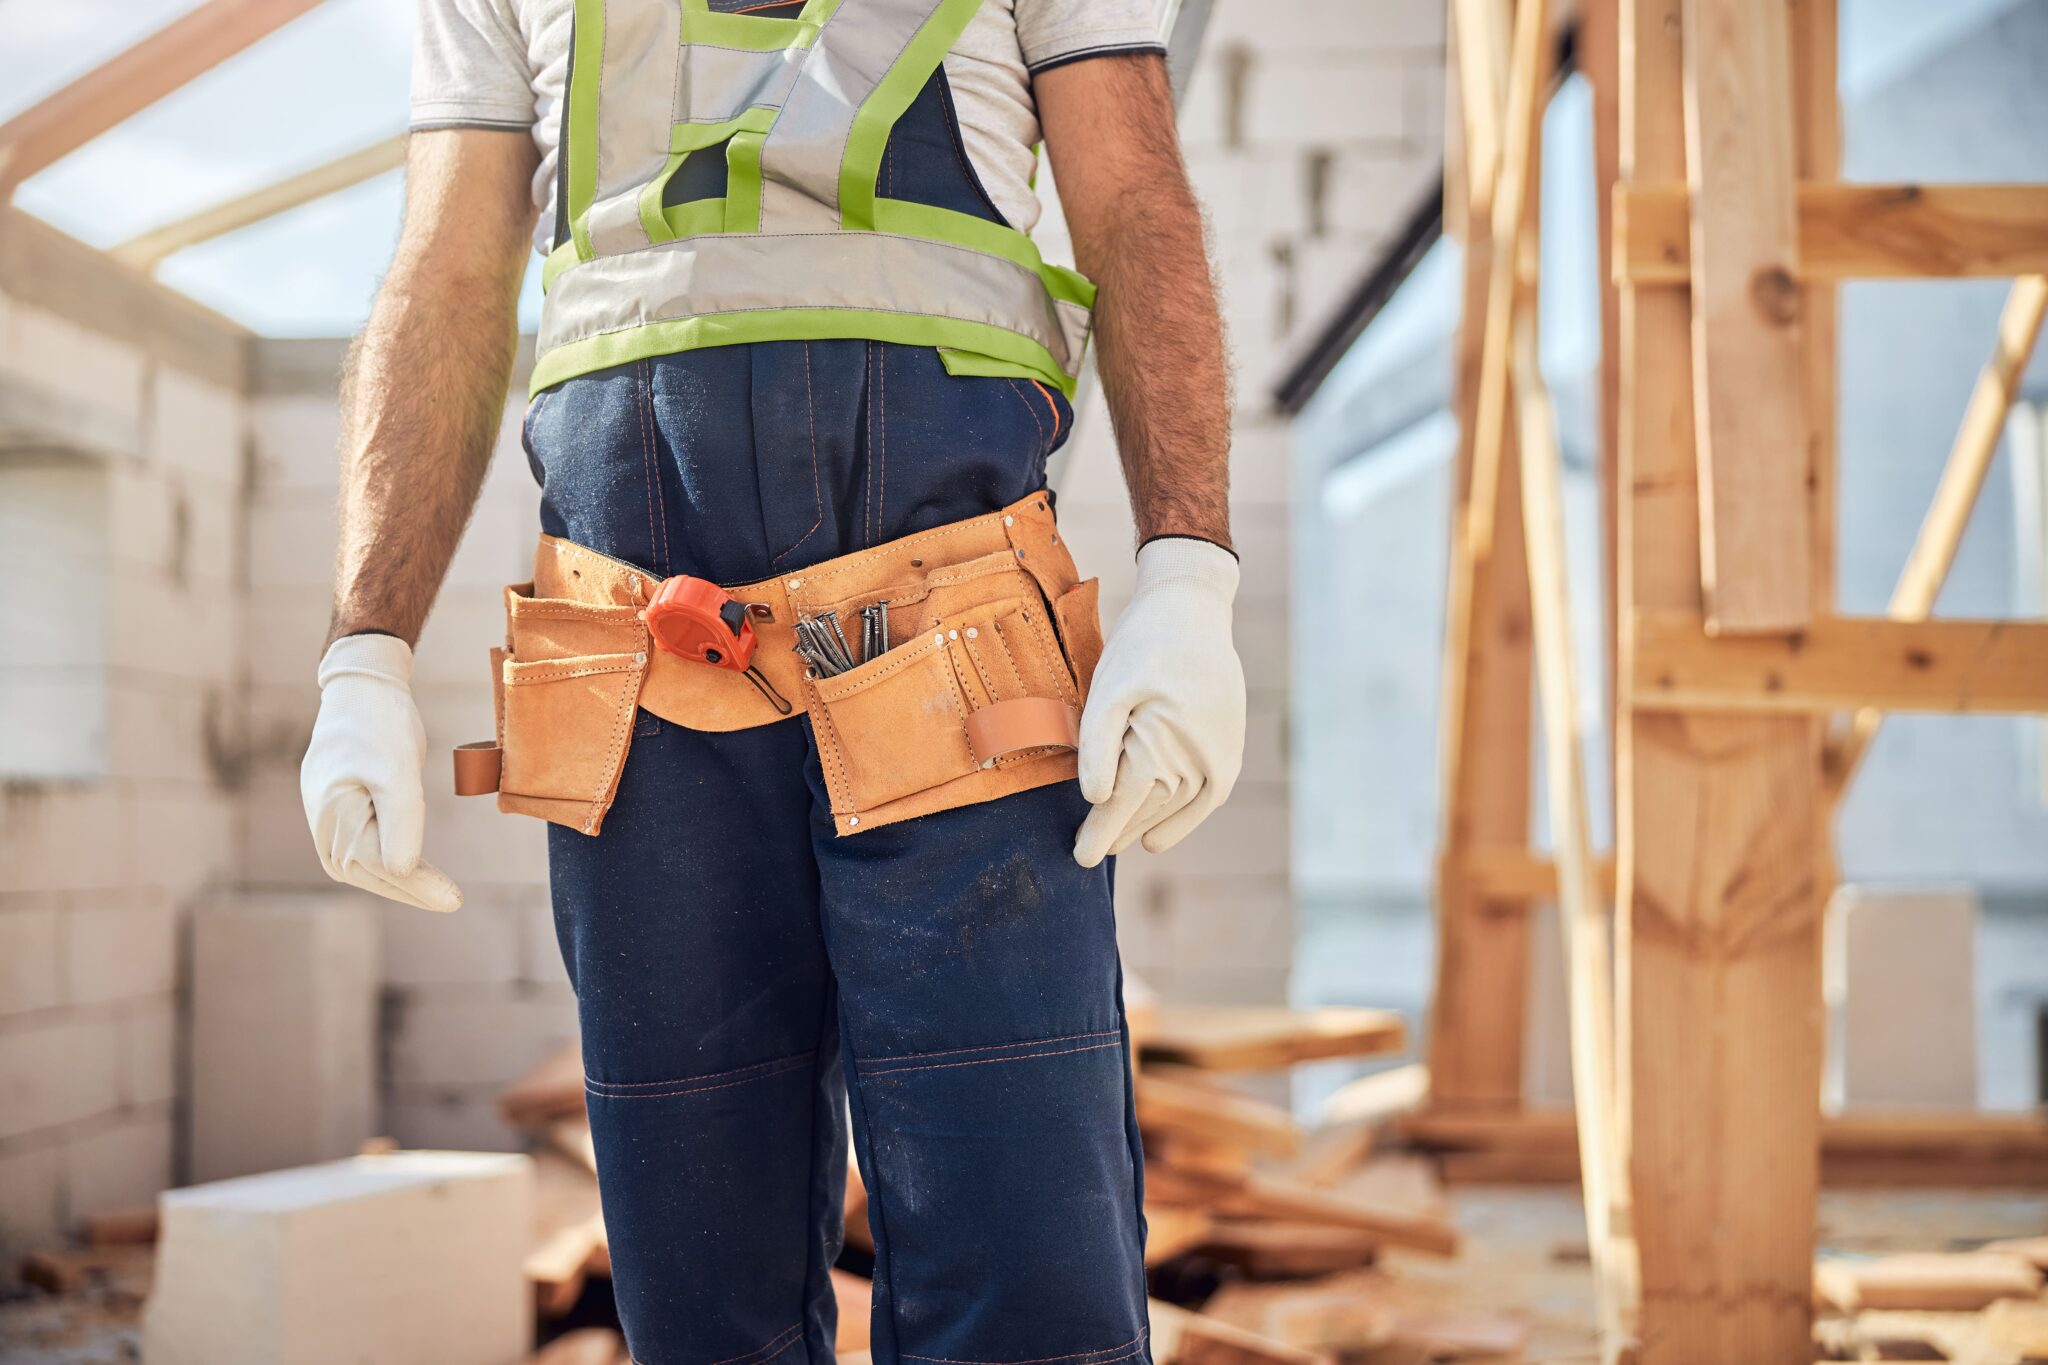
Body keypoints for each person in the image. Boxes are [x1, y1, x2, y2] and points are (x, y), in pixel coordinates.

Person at [299, 1, 1243, 1360]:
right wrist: (365, 649)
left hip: (951, 645)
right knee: (698, 1293)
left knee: (1025, 1275)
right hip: (638, 671)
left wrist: (1190, 573)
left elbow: (1134, 195)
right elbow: (447, 272)